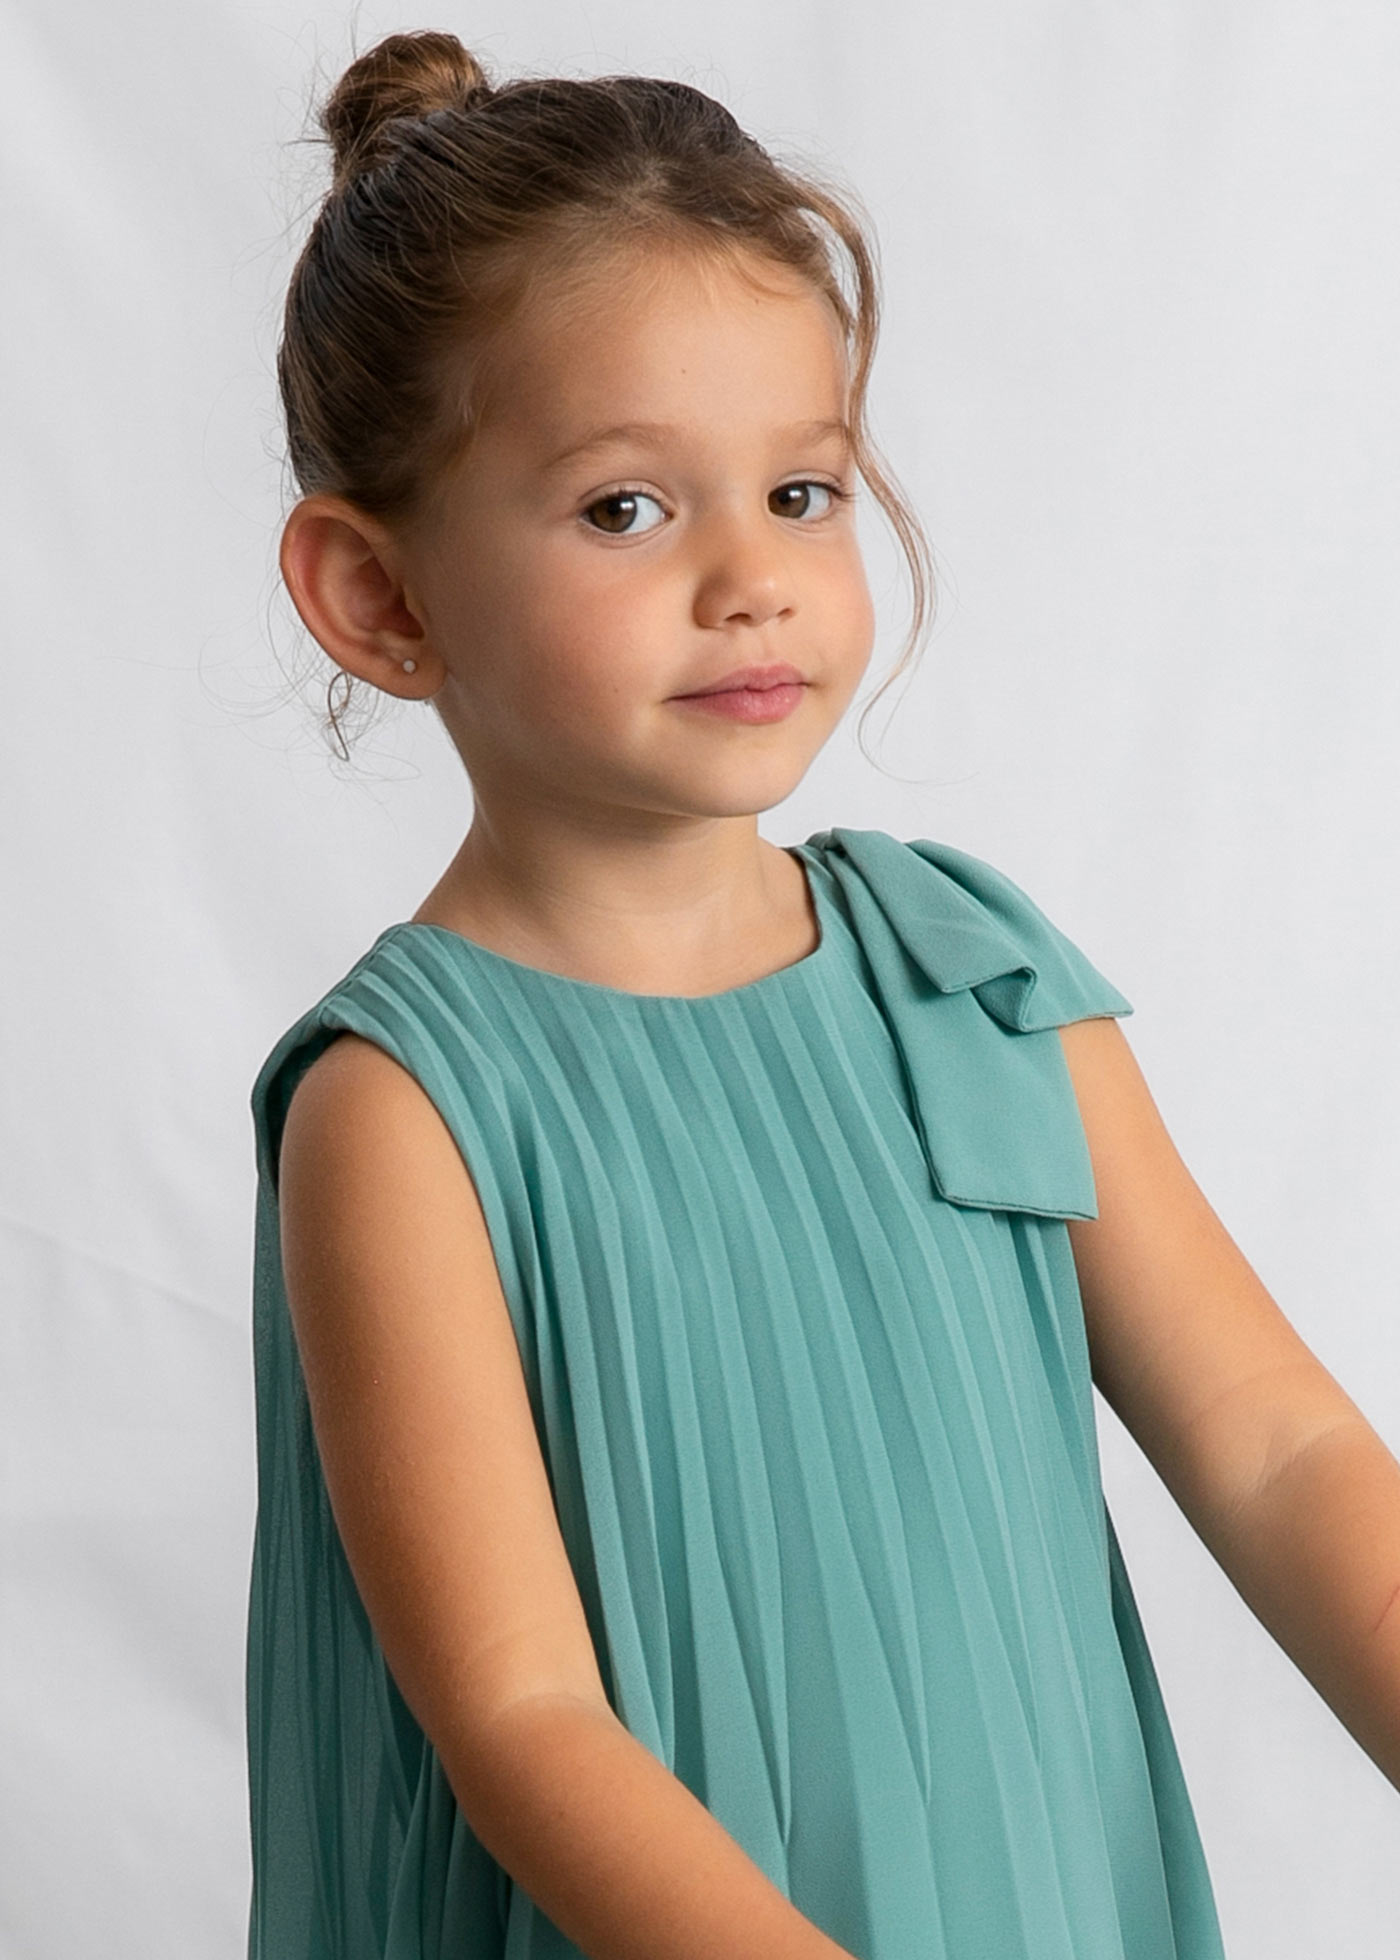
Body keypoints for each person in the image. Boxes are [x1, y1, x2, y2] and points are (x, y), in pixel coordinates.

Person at [244, 28, 1400, 1960]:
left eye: (802, 491)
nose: (751, 579)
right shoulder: (407, 1115)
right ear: (383, 598)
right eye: (626, 509)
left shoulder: (974, 986)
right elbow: (521, 1718)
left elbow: (1274, 1444)